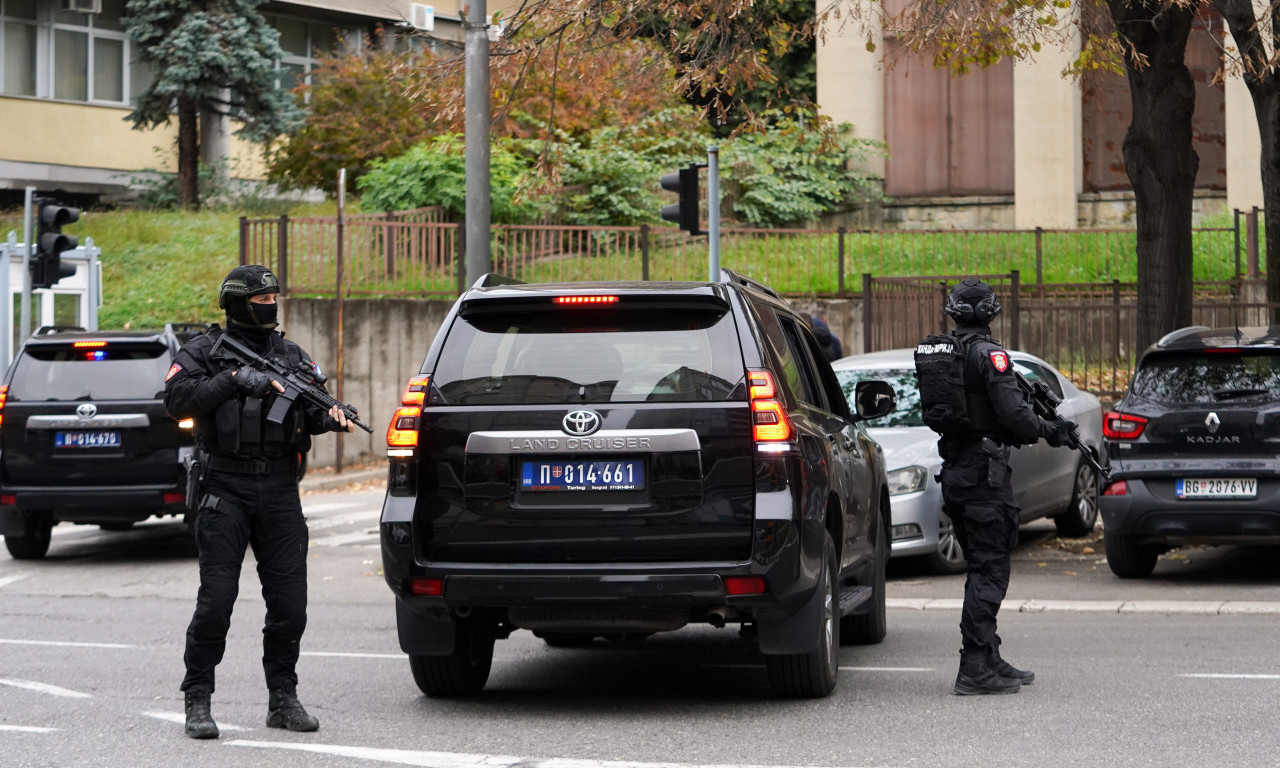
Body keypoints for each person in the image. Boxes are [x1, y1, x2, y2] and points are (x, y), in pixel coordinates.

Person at [164, 265, 355, 739]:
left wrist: (331, 416)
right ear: (236, 303)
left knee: (291, 604)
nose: (269, 304)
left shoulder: (290, 354)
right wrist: (234, 381)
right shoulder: (203, 353)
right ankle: (198, 699)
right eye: (260, 298)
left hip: (279, 490)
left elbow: (312, 408)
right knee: (217, 601)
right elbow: (177, 401)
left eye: (273, 296)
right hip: (223, 488)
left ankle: (282, 699)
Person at [925, 278, 1075, 695]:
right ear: (991, 314)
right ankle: (975, 666)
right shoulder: (990, 356)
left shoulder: (948, 354)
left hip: (957, 472)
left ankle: (987, 655)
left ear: (954, 312)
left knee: (980, 568)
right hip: (982, 478)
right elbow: (1016, 417)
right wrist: (1053, 430)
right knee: (990, 570)